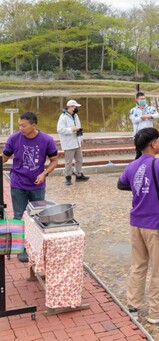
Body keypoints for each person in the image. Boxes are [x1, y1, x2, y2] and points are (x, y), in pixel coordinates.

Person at [117, 127, 159, 324]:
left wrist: (140, 189)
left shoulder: (133, 165)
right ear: (153, 144)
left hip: (136, 223)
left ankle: (133, 307)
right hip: (155, 225)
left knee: (138, 265)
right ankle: (156, 312)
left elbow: (121, 184)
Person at [2, 111, 59, 262]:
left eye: (23, 125)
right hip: (18, 183)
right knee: (18, 215)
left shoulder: (46, 140)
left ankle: (36, 246)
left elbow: (54, 160)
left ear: (33, 125)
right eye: (19, 125)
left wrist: (44, 173)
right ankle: (21, 249)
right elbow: (5, 157)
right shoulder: (14, 138)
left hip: (37, 185)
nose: (20, 128)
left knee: (37, 216)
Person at [57, 99, 89, 186]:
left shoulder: (76, 116)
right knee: (68, 162)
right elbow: (60, 129)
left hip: (76, 142)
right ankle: (68, 177)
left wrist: (81, 137)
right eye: (74, 107)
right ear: (70, 107)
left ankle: (78, 175)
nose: (76, 108)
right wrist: (71, 129)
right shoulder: (63, 117)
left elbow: (79, 127)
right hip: (68, 144)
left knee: (79, 159)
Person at [129, 92, 159, 159]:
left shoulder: (150, 108)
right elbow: (133, 120)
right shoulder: (133, 110)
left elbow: (157, 115)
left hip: (149, 135)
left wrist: (149, 116)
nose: (143, 100)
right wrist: (141, 118)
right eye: (141, 99)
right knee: (139, 154)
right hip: (139, 135)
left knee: (150, 152)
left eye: (144, 98)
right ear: (137, 99)